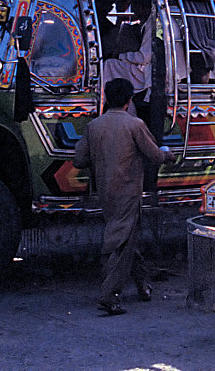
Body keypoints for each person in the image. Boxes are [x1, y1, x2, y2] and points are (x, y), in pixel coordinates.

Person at [73, 77, 175, 315]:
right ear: (130, 100)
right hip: (128, 191)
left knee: (126, 239)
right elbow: (155, 155)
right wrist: (168, 155)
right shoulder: (135, 125)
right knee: (120, 243)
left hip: (105, 192)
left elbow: (79, 159)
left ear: (107, 98)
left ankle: (143, 285)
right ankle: (109, 295)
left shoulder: (94, 126)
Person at [102, 0, 155, 96]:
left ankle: (104, 103)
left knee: (109, 64)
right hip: (148, 69)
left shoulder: (152, 24)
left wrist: (121, 57)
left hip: (148, 72)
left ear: (140, 6)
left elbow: (143, 57)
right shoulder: (146, 23)